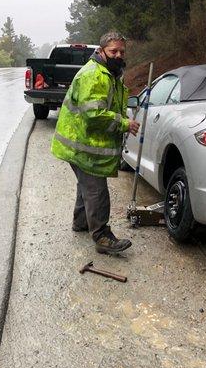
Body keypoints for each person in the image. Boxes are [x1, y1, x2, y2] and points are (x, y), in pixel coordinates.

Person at [51, 31, 140, 255]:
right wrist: (124, 123)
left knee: (86, 186)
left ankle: (80, 223)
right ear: (101, 51)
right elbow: (94, 114)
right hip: (83, 144)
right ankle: (101, 236)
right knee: (96, 191)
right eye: (113, 51)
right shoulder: (95, 75)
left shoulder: (108, 72)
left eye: (121, 51)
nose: (118, 55)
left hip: (77, 143)